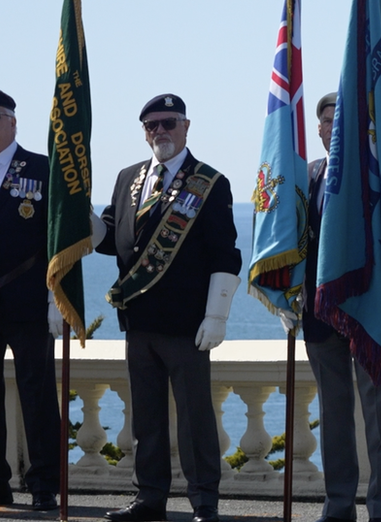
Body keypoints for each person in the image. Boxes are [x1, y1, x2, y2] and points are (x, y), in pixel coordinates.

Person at [97, 94, 242, 522]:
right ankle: (150, 498)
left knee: (195, 418)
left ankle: (204, 501)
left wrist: (216, 315)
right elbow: (112, 238)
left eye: (169, 123)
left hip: (186, 323)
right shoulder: (128, 179)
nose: (160, 131)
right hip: (139, 321)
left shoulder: (210, 182)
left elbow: (224, 254)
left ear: (186, 126)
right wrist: (76, 220)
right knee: (146, 419)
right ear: (144, 132)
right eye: (152, 125)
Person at [291, 92, 381, 522]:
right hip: (321, 315)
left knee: (380, 419)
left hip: (371, 311)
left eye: (347, 121)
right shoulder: (307, 176)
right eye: (331, 121)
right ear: (319, 129)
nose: (337, 128)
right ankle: (338, 505)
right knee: (333, 416)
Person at [0, 89, 62, 511]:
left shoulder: (42, 168)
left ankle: (43, 485)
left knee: (37, 397)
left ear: (13, 122)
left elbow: (62, 238)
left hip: (30, 302)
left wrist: (59, 299)